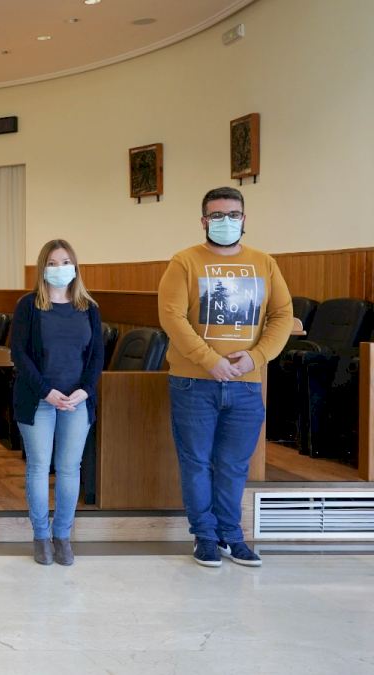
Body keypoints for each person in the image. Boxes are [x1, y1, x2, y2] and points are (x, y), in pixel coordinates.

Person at [158, 186, 292, 568]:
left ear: (244, 219)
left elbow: (282, 315)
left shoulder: (264, 263)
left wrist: (256, 357)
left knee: (234, 465)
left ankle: (232, 536)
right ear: (204, 221)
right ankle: (204, 537)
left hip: (246, 384)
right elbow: (172, 317)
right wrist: (209, 360)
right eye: (217, 215)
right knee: (196, 463)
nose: (225, 221)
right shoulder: (184, 262)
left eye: (233, 214)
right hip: (193, 382)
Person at [10, 240, 104, 566]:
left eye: (65, 262)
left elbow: (96, 356)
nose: (59, 268)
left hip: (77, 401)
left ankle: (62, 536)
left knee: (69, 468)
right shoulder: (28, 305)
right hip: (38, 398)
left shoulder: (88, 307)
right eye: (52, 263)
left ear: (75, 267)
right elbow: (18, 354)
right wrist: (46, 391)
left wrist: (86, 390)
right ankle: (41, 536)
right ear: (42, 268)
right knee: (38, 467)